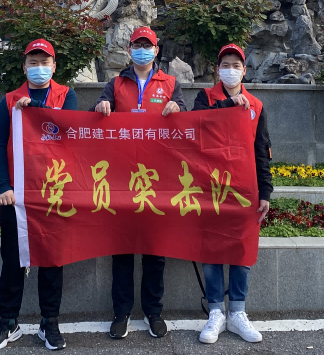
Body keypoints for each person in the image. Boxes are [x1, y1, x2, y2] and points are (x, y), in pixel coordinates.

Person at [0, 39, 78, 352]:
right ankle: (8, 321)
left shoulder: (67, 96)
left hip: (54, 192)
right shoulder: (9, 101)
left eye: (44, 62)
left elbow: (68, 131)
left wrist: (36, 109)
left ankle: (49, 321)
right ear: (24, 68)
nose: (39, 68)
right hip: (17, 195)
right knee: (12, 260)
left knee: (52, 259)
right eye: (33, 63)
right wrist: (4, 186)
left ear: (54, 66)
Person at [94, 26, 185, 339]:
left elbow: (187, 120)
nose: (142, 50)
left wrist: (178, 108)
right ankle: (121, 312)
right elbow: (97, 112)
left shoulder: (171, 84)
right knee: (121, 249)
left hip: (158, 179)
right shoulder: (116, 83)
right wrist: (101, 107)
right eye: (137, 45)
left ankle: (153, 311)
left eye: (148, 45)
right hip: (122, 177)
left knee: (154, 250)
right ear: (129, 49)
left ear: (156, 50)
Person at [192, 43, 271, 345]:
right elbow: (197, 126)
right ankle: (216, 311)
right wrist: (228, 105)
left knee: (241, 248)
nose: (230, 70)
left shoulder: (256, 106)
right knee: (212, 249)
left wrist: (265, 191)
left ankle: (237, 312)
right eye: (225, 65)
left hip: (243, 188)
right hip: (210, 185)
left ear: (245, 70)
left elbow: (261, 150)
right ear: (217, 69)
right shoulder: (205, 98)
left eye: (236, 65)